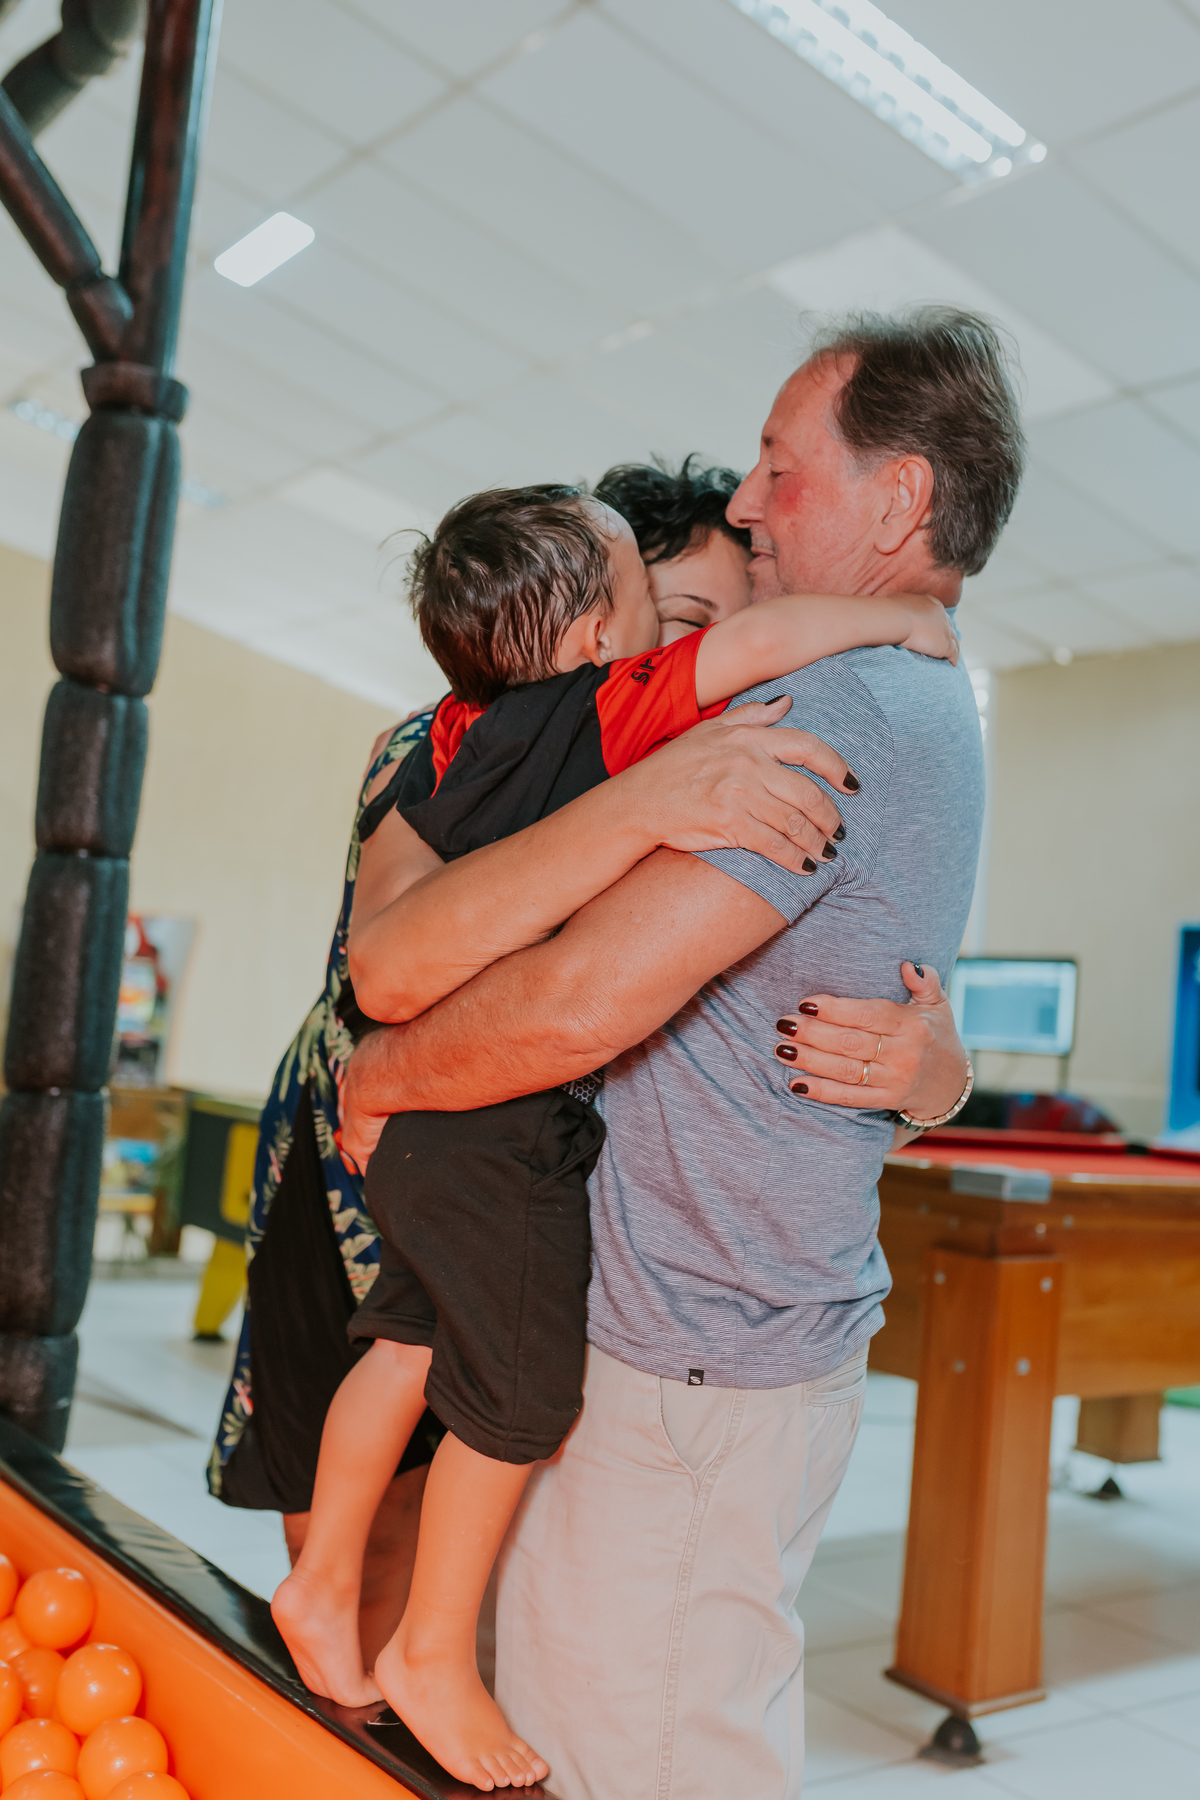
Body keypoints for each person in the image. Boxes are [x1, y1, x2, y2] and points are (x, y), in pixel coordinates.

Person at [340, 307, 1024, 1800]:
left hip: (687, 1363)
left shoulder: (842, 695)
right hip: (703, 1335)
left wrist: (384, 1075)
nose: (747, 501)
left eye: (784, 467)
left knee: (627, 1758)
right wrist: (937, 1073)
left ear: (899, 500)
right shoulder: (915, 697)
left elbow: (582, 997)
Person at [207, 459, 935, 1664]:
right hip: (360, 1160)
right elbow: (388, 970)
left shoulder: (709, 757)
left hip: (539, 1178)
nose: (716, 661)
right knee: (375, 1538)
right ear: (611, 624)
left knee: (497, 1531)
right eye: (687, 625)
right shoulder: (445, 746)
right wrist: (645, 797)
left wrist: (927, 1064)